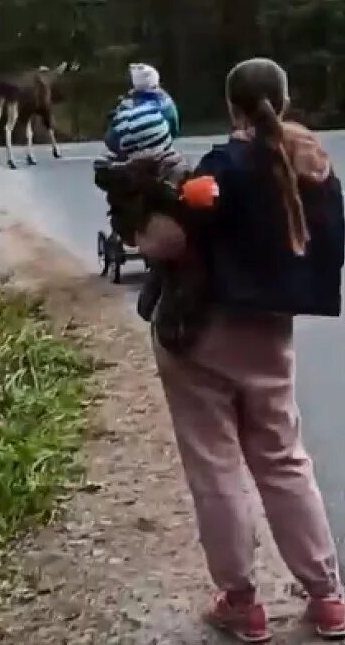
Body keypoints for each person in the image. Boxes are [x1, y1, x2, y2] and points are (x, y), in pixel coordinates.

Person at [136, 57, 345, 643]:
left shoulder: (221, 168)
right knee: (283, 459)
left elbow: (168, 240)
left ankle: (242, 601)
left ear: (232, 106)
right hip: (271, 335)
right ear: (284, 99)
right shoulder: (312, 163)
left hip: (202, 335)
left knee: (217, 466)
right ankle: (328, 597)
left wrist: (143, 226)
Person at [105, 62, 181, 162]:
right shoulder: (166, 101)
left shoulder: (127, 104)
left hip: (130, 154)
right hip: (161, 148)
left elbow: (112, 137)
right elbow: (175, 128)